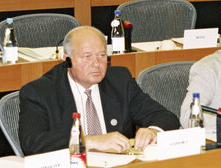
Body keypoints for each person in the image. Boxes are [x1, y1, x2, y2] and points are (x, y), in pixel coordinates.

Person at [19, 26, 180, 156]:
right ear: (67, 60)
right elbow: (32, 141)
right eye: (87, 56)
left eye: (102, 55)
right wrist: (89, 141)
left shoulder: (119, 81)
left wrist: (152, 131)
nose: (96, 64)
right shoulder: (40, 91)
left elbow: (165, 116)